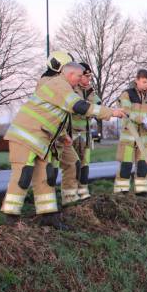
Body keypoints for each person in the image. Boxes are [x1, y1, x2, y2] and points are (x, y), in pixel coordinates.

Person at [1, 55, 124, 228]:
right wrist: (111, 112)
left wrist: (62, 136)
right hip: (26, 137)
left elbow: (53, 117)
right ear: (70, 74)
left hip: (41, 140)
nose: (81, 80)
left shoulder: (63, 86)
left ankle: (49, 216)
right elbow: (78, 107)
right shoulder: (60, 85)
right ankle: (10, 219)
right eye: (79, 76)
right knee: (23, 175)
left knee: (45, 178)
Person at [58, 62, 101, 204]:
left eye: (90, 76)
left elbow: (98, 106)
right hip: (71, 134)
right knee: (72, 164)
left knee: (85, 164)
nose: (88, 79)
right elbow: (77, 108)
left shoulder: (90, 91)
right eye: (86, 76)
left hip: (86, 135)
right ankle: (71, 193)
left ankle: (83, 192)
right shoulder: (70, 89)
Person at [114, 69, 147, 195]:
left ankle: (142, 191)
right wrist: (142, 119)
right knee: (126, 166)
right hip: (129, 138)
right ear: (137, 80)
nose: (146, 84)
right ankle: (121, 192)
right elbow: (126, 111)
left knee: (143, 166)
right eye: (144, 82)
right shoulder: (127, 94)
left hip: (144, 139)